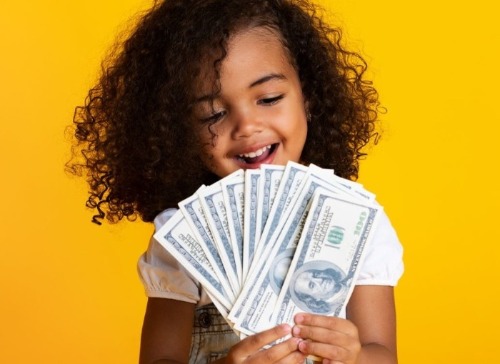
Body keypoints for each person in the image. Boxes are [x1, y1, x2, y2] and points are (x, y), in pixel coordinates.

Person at [68, 0, 404, 363]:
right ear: (179, 131)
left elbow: (383, 354)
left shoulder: (356, 221)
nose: (246, 126)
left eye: (269, 98)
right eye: (213, 114)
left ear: (307, 95)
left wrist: (354, 356)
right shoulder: (182, 237)